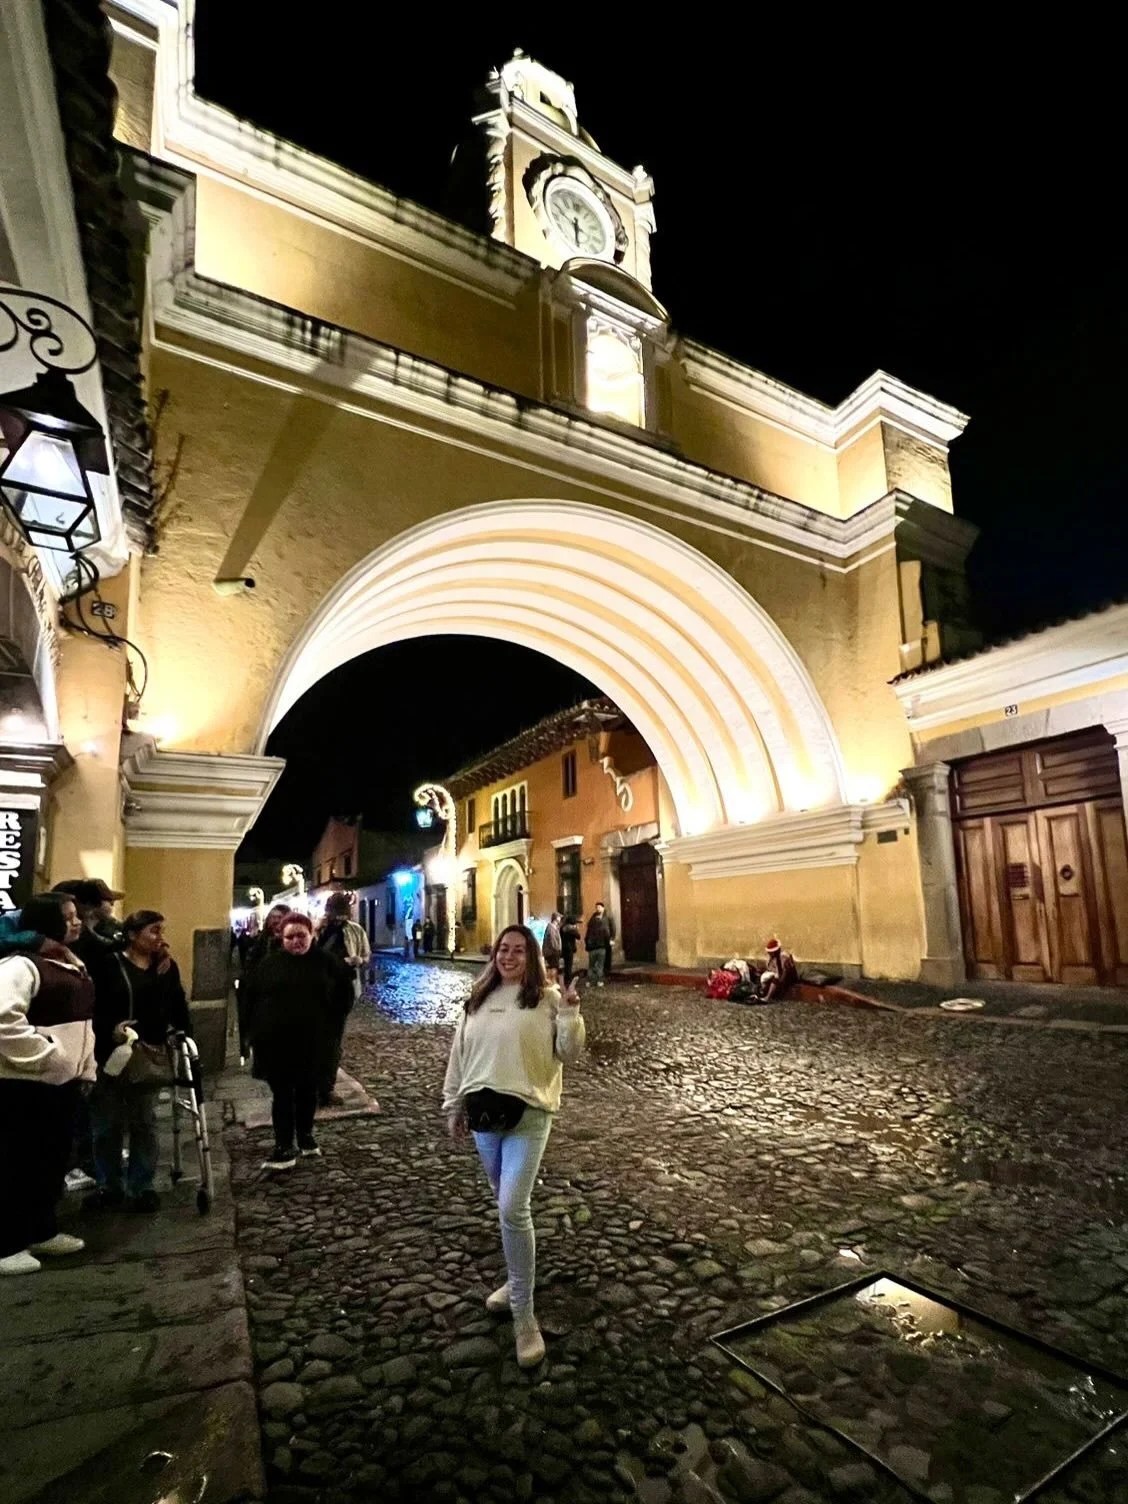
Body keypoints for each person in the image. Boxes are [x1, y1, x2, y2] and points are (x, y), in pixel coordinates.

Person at [443, 924, 585, 1369]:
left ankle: (524, 1315)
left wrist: (571, 1014)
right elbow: (460, 1055)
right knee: (505, 1206)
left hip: (529, 1114)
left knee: (512, 1207)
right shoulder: (478, 999)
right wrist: (453, 1104)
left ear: (532, 957)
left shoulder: (547, 999)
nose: (508, 956)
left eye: (518, 950)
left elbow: (570, 1053)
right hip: (484, 1117)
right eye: (503, 949)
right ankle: (515, 1280)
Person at [0, 893, 96, 1275]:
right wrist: (47, 1056)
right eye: (68, 917)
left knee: (50, 1161)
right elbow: (3, 1020)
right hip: (24, 1084)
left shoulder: (69, 964)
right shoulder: (20, 965)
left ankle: (40, 1229)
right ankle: (6, 1243)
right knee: (16, 1163)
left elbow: (81, 1024)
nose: (77, 922)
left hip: (60, 1083)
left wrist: (84, 1067)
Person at [84, 910, 192, 1214]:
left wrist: (184, 1036)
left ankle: (141, 1186)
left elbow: (177, 1005)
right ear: (132, 935)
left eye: (161, 931)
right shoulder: (108, 965)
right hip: (111, 1053)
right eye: (153, 931)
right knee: (106, 1124)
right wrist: (110, 1029)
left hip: (147, 1053)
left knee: (144, 1121)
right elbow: (93, 1005)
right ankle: (109, 1185)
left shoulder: (165, 967)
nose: (160, 937)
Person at [243, 912, 354, 1171]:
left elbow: (344, 996)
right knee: (282, 1094)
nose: (296, 941)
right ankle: (284, 1145)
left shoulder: (327, 963)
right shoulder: (269, 965)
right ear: (282, 939)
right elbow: (251, 999)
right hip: (276, 1043)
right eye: (290, 937)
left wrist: (332, 1026)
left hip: (314, 1042)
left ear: (311, 935)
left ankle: (305, 1136)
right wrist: (252, 1034)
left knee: (307, 1092)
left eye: (301, 936)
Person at [317, 891, 371, 1105]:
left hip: (343, 989)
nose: (339, 918)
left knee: (333, 1041)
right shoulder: (319, 929)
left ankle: (326, 1088)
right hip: (317, 989)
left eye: (343, 914)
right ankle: (315, 1086)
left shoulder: (355, 930)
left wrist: (359, 960)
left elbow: (366, 955)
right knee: (317, 1040)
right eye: (336, 913)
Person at [239, 904, 290, 1065]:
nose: (276, 922)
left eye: (280, 918)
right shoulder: (261, 942)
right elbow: (251, 967)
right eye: (273, 918)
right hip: (264, 999)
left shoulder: (293, 940)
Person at [584, 903, 612, 987]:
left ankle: (588, 982)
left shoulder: (590, 927)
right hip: (601, 948)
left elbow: (586, 937)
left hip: (592, 949)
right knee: (600, 966)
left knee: (591, 966)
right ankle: (599, 981)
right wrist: (607, 945)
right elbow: (607, 936)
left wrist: (588, 947)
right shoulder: (603, 927)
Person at [560, 915, 581, 987]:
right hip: (569, 949)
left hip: (564, 949)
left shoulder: (563, 928)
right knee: (569, 965)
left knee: (566, 965)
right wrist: (575, 929)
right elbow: (578, 936)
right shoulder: (570, 930)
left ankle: (566, 980)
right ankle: (568, 981)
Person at [542, 912, 563, 979]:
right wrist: (557, 949)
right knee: (553, 968)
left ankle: (552, 981)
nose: (560, 919)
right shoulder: (551, 928)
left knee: (553, 968)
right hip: (552, 952)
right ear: (556, 918)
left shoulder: (554, 927)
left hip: (553, 952)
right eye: (559, 917)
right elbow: (553, 940)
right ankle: (552, 981)